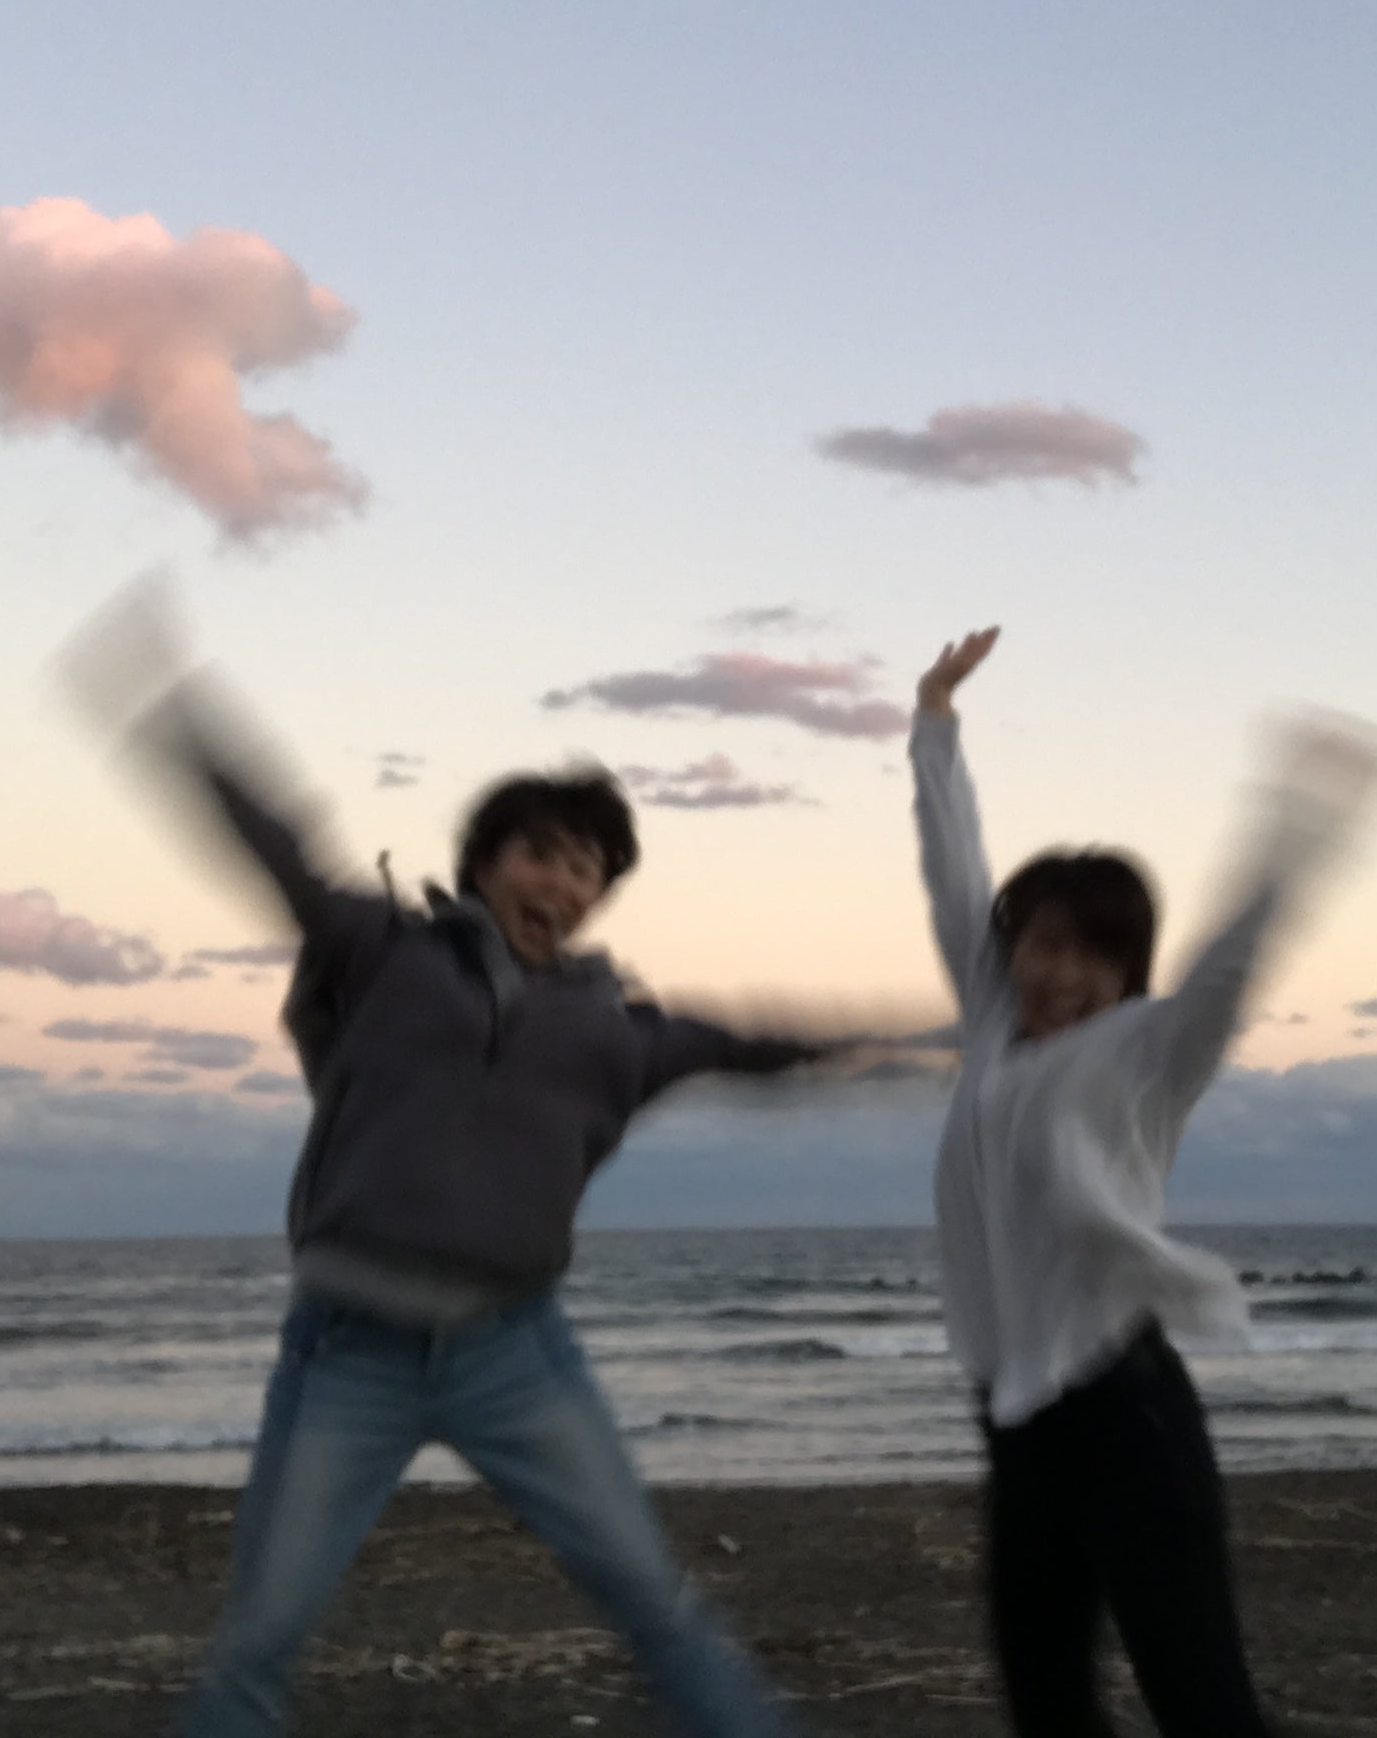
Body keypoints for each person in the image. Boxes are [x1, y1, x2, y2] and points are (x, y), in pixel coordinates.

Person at [65, 590, 817, 1738]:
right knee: (259, 1642)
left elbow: (747, 1042)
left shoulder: (613, 1030)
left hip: (515, 1353)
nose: (561, 884)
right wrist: (181, 722)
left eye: (587, 870)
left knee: (655, 1603)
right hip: (347, 1353)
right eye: (542, 854)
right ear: (483, 863)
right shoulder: (382, 951)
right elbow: (280, 848)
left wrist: (902, 1044)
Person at [909, 626, 1377, 1738]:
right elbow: (954, 873)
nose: (1063, 973)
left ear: (1128, 970)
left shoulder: (1145, 1052)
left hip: (1126, 1418)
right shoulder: (992, 1031)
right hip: (1018, 1426)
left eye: (1096, 953)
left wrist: (1299, 827)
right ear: (1013, 949)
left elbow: (1227, 970)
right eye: (1044, 944)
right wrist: (934, 722)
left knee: (1201, 1705)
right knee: (1047, 1704)